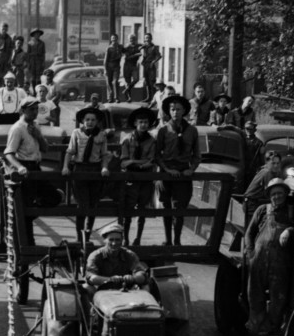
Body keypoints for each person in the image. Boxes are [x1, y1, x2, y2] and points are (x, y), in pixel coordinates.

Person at [244, 178, 294, 336]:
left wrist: (290, 231)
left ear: (285, 194)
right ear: (269, 195)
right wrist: (251, 254)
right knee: (255, 294)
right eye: (274, 194)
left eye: (280, 193)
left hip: (280, 262)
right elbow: (249, 233)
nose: (277, 197)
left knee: (279, 296)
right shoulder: (262, 210)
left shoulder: (292, 211)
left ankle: (271, 327)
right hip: (259, 259)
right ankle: (255, 325)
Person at [4, 98, 62, 245]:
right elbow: (9, 154)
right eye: (31, 109)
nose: (35, 112)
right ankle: (27, 243)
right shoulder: (17, 128)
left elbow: (45, 148)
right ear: (23, 110)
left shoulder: (35, 126)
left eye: (36, 109)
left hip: (35, 167)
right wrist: (20, 167)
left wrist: (38, 135)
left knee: (55, 197)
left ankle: (28, 215)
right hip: (24, 169)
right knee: (26, 209)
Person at [155, 94, 200, 246]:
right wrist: (166, 169)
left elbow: (197, 155)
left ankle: (177, 240)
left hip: (183, 173)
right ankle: (168, 240)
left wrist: (191, 169)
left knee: (179, 209)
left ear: (184, 111)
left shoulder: (192, 131)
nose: (175, 112)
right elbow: (157, 155)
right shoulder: (163, 130)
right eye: (172, 109)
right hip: (167, 172)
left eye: (178, 109)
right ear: (169, 111)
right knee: (167, 207)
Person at [63, 106, 112, 245]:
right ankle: (80, 237)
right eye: (87, 120)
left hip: (95, 170)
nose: (89, 122)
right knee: (82, 205)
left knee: (93, 205)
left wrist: (104, 167)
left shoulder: (101, 135)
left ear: (97, 122)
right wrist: (66, 167)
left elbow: (104, 154)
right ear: (82, 121)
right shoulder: (77, 133)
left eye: (92, 120)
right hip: (80, 169)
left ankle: (88, 235)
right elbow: (70, 151)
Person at [118, 106, 157, 246]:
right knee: (128, 210)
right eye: (140, 122)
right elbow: (123, 162)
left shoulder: (152, 141)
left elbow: (151, 161)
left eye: (146, 122)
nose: (143, 125)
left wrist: (135, 163)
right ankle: (125, 238)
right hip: (130, 179)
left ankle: (138, 238)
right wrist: (138, 163)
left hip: (146, 179)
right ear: (135, 123)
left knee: (142, 210)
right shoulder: (127, 139)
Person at [85, 222, 148, 291]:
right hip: (101, 291)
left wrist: (133, 278)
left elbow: (142, 275)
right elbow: (91, 278)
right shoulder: (95, 256)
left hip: (126, 291)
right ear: (105, 240)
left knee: (146, 287)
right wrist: (110, 279)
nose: (114, 243)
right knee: (86, 287)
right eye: (111, 240)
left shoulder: (129, 255)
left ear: (122, 240)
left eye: (117, 240)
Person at [242, 151, 285, 222]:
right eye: (273, 163)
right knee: (255, 227)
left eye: (278, 163)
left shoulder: (273, 172)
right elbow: (269, 192)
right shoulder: (267, 172)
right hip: (252, 203)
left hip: (255, 202)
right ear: (267, 163)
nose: (276, 165)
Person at [140, 32, 163, 102]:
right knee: (146, 82)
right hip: (145, 65)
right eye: (146, 38)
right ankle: (148, 97)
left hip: (151, 66)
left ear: (151, 39)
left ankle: (154, 98)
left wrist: (153, 61)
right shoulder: (143, 47)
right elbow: (139, 51)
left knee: (152, 82)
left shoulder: (154, 47)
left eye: (148, 38)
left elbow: (159, 56)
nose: (147, 39)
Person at [242, 120, 266, 185]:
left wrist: (260, 169)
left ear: (254, 130)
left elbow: (262, 159)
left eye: (250, 129)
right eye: (247, 128)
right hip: (242, 167)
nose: (249, 130)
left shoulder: (259, 143)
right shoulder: (241, 140)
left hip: (252, 169)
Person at [103, 34, 124, 102]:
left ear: (117, 39)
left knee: (115, 82)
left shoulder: (120, 47)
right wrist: (105, 70)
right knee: (108, 82)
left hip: (116, 67)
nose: (113, 40)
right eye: (112, 39)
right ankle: (110, 98)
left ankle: (116, 98)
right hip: (109, 66)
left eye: (115, 38)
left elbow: (126, 51)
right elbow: (105, 60)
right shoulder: (109, 48)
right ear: (111, 40)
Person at [121, 33, 141, 101]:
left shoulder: (138, 46)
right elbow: (127, 57)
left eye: (133, 39)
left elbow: (144, 47)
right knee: (128, 81)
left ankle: (126, 90)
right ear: (128, 40)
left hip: (134, 65)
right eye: (130, 39)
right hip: (127, 65)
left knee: (136, 79)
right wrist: (136, 55)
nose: (132, 40)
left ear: (135, 39)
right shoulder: (127, 47)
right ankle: (129, 97)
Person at [26, 29, 46, 93]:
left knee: (38, 77)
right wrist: (28, 63)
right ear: (33, 35)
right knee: (33, 77)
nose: (37, 35)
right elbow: (28, 54)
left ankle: (38, 91)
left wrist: (43, 63)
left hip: (39, 62)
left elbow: (43, 54)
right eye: (36, 34)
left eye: (38, 34)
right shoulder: (30, 43)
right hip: (32, 61)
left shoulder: (42, 43)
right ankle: (34, 91)